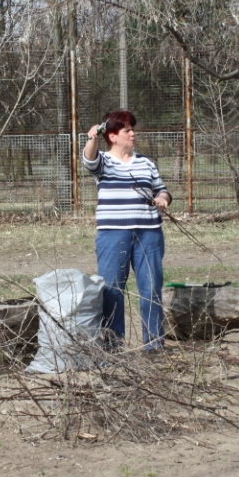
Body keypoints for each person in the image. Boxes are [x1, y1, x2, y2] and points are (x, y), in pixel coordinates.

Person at [82, 110, 172, 352]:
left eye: (133, 129)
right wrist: (93, 136)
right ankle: (113, 346)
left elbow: (162, 189)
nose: (133, 134)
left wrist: (163, 199)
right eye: (127, 130)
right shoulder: (103, 161)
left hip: (149, 234)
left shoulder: (146, 163)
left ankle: (154, 345)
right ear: (112, 136)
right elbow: (89, 159)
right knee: (112, 290)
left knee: (151, 289)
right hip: (113, 235)